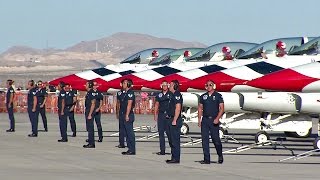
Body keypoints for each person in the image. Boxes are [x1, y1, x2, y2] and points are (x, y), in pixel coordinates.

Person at [198, 80, 224, 164]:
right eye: (207, 85)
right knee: (204, 140)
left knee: (215, 139)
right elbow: (200, 108)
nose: (208, 86)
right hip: (205, 120)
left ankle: (220, 155)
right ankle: (206, 159)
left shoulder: (218, 96)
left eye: (210, 85)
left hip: (214, 120)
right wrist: (199, 119)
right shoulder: (203, 96)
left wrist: (217, 118)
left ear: (213, 86)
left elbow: (222, 108)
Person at [166, 80, 183, 164]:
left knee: (175, 140)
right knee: (171, 140)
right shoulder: (171, 95)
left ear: (175, 86)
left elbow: (178, 108)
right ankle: (173, 157)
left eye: (171, 84)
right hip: (169, 119)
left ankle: (176, 158)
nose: (169, 85)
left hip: (174, 120)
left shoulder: (177, 95)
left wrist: (175, 120)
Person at [154, 80, 172, 155]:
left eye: (166, 85)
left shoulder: (171, 94)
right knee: (161, 133)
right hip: (161, 115)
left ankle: (173, 149)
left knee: (169, 133)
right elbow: (157, 105)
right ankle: (162, 150)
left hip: (168, 115)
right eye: (163, 85)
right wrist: (155, 114)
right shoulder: (159, 95)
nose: (164, 86)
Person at [119, 79, 136, 155]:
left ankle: (132, 149)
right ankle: (129, 148)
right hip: (123, 114)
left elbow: (129, 104)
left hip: (128, 115)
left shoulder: (130, 93)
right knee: (126, 133)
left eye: (125, 83)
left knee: (129, 133)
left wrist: (127, 115)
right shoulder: (124, 93)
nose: (123, 84)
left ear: (129, 84)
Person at [83, 80, 96, 148]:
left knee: (90, 128)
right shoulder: (88, 93)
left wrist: (90, 114)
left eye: (86, 84)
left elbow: (93, 104)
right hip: (87, 110)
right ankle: (90, 141)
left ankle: (91, 143)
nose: (85, 85)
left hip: (90, 111)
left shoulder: (92, 93)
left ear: (90, 85)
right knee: (88, 127)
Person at [116, 79, 127, 148]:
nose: (124, 85)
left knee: (127, 129)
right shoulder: (119, 93)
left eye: (126, 83)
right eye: (123, 83)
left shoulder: (129, 93)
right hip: (121, 112)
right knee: (121, 128)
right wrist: (117, 112)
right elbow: (118, 103)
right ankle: (121, 143)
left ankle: (129, 143)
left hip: (127, 112)